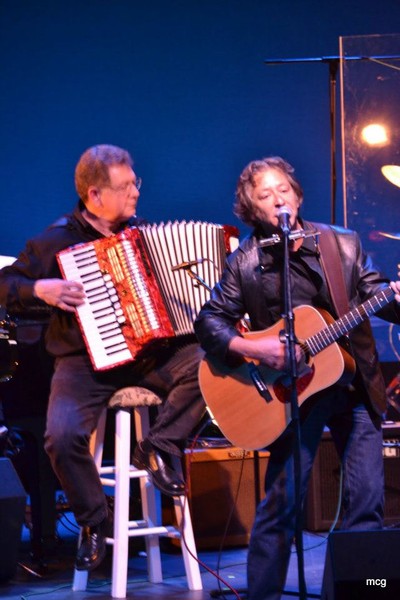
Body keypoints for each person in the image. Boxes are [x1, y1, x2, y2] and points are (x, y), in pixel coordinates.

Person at [194, 156, 400, 600]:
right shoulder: (245, 261)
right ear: (252, 209)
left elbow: (375, 293)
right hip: (293, 395)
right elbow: (209, 322)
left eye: (283, 189)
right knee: (281, 507)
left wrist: (397, 299)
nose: (277, 199)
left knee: (367, 503)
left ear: (298, 195)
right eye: (265, 195)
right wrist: (256, 349)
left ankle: (361, 592)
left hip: (355, 384)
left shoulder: (341, 243)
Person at [0, 144, 205, 572]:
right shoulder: (55, 241)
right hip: (84, 362)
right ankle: (95, 519)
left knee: (212, 363)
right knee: (60, 435)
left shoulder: (143, 234)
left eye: (135, 183)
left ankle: (158, 445)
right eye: (126, 186)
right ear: (95, 195)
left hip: (150, 356)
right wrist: (40, 289)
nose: (136, 192)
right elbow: (6, 285)